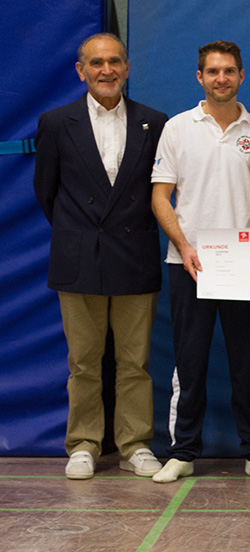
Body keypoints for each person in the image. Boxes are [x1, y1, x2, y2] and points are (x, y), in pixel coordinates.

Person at [33, 33, 166, 480]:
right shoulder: (55, 122)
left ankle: (135, 444)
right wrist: (80, 234)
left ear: (127, 68)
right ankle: (84, 444)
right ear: (81, 70)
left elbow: (160, 191)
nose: (105, 70)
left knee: (135, 362)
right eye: (96, 63)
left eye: (114, 62)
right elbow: (45, 192)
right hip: (78, 257)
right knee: (84, 361)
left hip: (135, 255)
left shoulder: (154, 122)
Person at [149, 40, 250, 484]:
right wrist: (184, 246)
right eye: (213, 71)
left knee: (247, 363)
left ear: (241, 76)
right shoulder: (178, 129)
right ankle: (182, 452)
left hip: (244, 261)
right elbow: (160, 197)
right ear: (199, 77)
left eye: (229, 71)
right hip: (189, 263)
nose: (222, 78)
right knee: (189, 362)